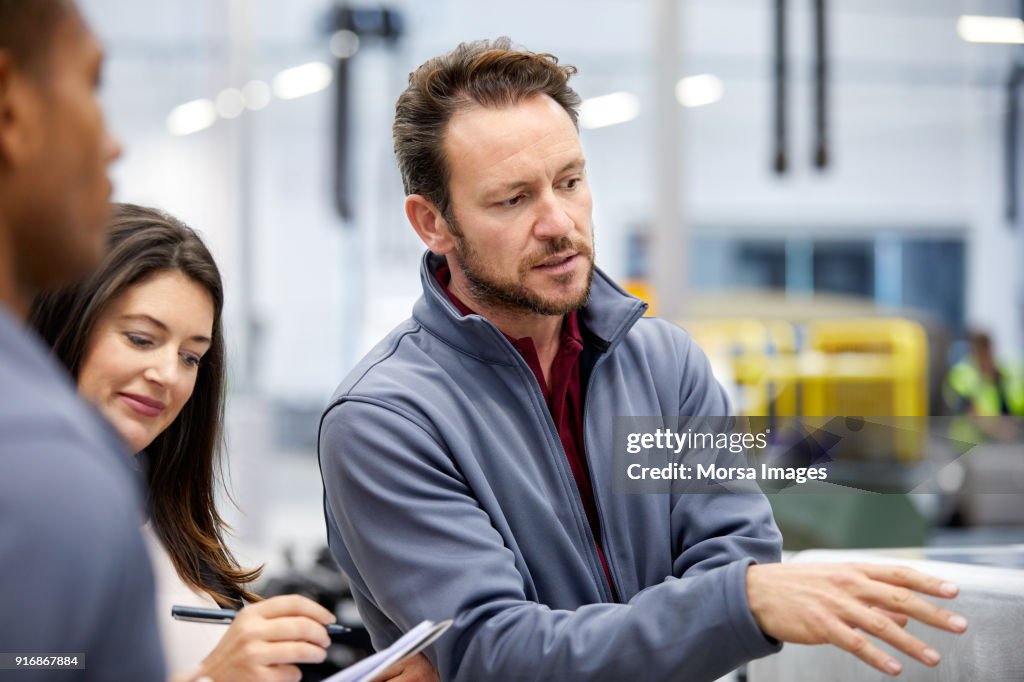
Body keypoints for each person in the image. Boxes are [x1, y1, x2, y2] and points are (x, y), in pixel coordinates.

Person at [318, 37, 968, 681]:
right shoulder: (387, 420)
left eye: (569, 181)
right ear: (432, 223)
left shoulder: (664, 367)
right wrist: (730, 606)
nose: (558, 222)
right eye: (512, 200)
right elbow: (500, 653)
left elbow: (734, 554)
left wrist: (726, 601)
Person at [30, 203, 438, 682]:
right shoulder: (23, 514)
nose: (167, 375)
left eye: (190, 357)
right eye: (141, 339)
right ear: (65, 322)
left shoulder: (161, 526)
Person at [0, 2, 164, 679]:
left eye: (193, 354)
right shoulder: (44, 461)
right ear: (10, 109)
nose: (113, 144)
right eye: (91, 85)